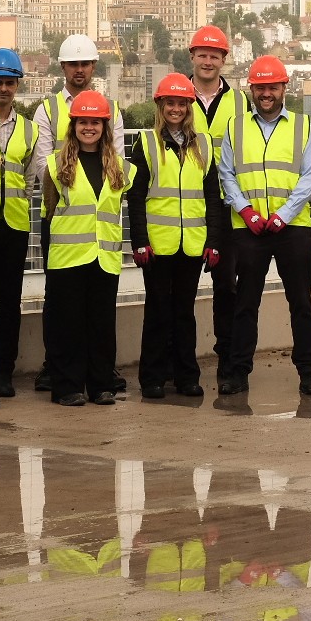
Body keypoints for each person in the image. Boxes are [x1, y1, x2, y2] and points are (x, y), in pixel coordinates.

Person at [217, 55, 311, 397]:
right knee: (245, 303)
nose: (266, 93)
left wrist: (283, 215)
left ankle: (308, 372)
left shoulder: (303, 126)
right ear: (251, 89)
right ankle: (238, 372)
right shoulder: (235, 127)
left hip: (291, 229)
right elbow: (227, 174)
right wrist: (246, 211)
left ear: (283, 88)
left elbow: (309, 176)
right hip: (248, 229)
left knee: (300, 304)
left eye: (272, 87)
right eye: (260, 87)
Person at [31, 34, 126, 394]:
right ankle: (56, 368)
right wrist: (65, 176)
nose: (80, 70)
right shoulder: (48, 109)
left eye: (85, 63)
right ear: (63, 67)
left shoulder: (111, 110)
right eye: (73, 64)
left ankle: (96, 373)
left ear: (93, 67)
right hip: (60, 212)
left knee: (97, 308)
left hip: (98, 220)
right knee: (59, 301)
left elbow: (113, 160)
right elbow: (42, 163)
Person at [128, 73, 221, 400]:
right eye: (171, 102)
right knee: (156, 311)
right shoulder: (147, 143)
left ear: (189, 106)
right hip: (157, 244)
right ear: (160, 105)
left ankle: (186, 377)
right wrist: (139, 239)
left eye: (182, 103)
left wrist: (213, 242)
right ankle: (151, 378)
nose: (176, 108)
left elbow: (213, 197)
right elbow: (135, 196)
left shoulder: (204, 145)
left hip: (193, 244)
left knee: (184, 312)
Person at [43, 91, 134, 406]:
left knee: (101, 325)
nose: (89, 128)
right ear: (74, 126)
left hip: (105, 258)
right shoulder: (56, 166)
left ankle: (100, 385)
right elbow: (49, 211)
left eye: (95, 122)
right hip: (67, 259)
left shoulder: (120, 169)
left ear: (105, 127)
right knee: (67, 326)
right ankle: (67, 387)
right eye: (83, 122)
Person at [184, 25, 251, 383]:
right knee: (180, 290)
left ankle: (228, 361)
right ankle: (178, 365)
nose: (208, 61)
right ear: (192, 56)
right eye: (202, 54)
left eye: (215, 55)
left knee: (227, 287)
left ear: (224, 60)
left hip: (226, 208)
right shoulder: (176, 95)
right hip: (186, 207)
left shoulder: (241, 101)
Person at [0, 48, 37, 398]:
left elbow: (29, 180)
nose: (3, 89)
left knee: (10, 304)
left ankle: (4, 373)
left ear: (17, 86)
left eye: (9, 83)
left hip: (13, 227)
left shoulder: (29, 131)